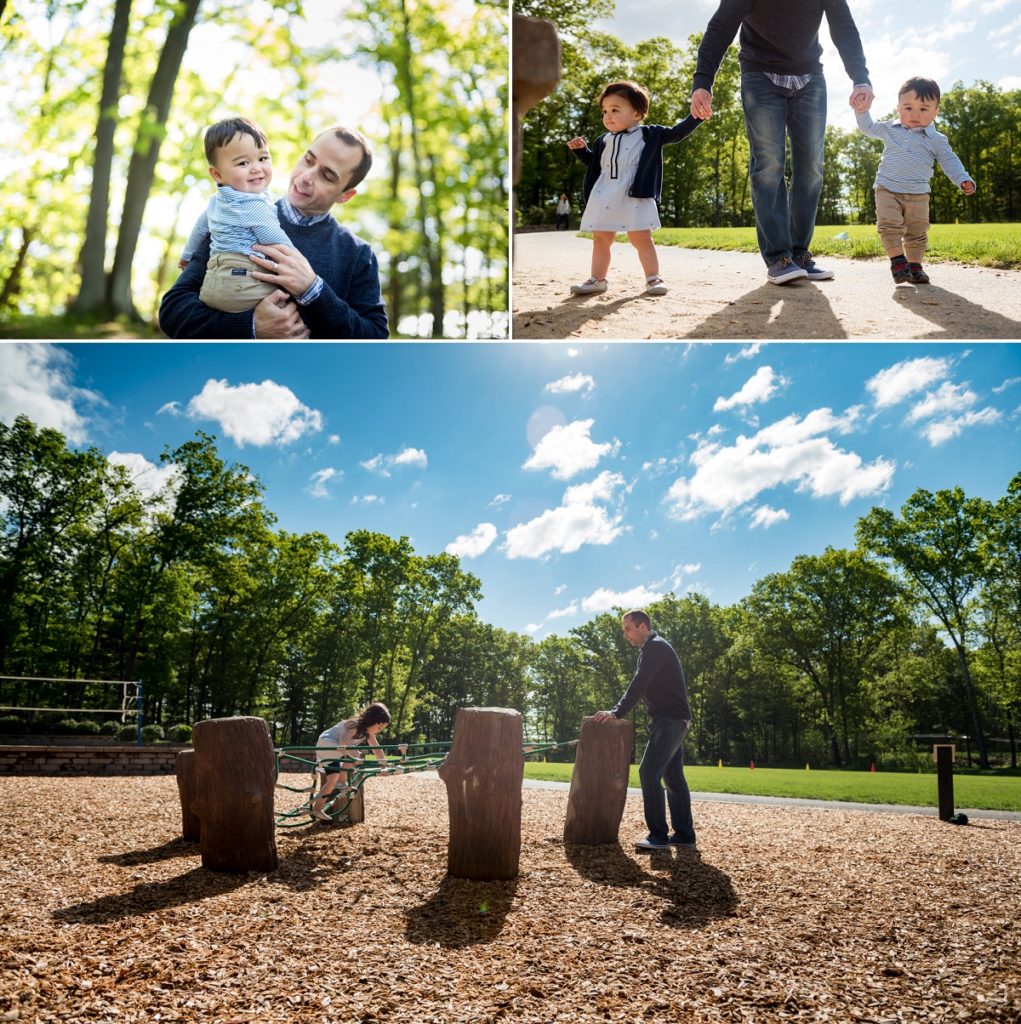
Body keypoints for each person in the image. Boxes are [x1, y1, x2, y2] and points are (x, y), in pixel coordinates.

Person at [691, 1, 874, 285]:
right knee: (768, 163)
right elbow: (721, 26)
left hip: (810, 75)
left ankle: (800, 255)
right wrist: (703, 81)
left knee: (812, 166)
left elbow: (844, 27)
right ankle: (779, 258)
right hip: (760, 74)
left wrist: (860, 77)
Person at [160, 125, 388, 339]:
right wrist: (251, 327)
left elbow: (375, 338)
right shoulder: (236, 214)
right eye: (308, 160)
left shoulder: (359, 255)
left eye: (327, 176)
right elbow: (173, 311)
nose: (306, 177)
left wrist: (314, 290)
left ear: (345, 195)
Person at [566, 80, 703, 297]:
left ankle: (653, 277)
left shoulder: (650, 135)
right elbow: (597, 165)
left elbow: (678, 132)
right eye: (605, 111)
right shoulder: (603, 140)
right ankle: (597, 279)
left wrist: (698, 115)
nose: (608, 116)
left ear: (637, 114)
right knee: (601, 238)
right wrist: (582, 152)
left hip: (634, 193)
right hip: (605, 194)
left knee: (641, 237)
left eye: (615, 110)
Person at [855, 77, 975, 285]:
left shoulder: (936, 140)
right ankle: (898, 262)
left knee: (917, 232)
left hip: (918, 194)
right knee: (889, 225)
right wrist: (861, 110)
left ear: (936, 112)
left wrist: (962, 178)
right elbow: (867, 127)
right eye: (908, 107)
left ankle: (915, 266)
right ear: (898, 107)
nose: (915, 114)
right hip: (887, 189)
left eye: (924, 109)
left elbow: (950, 161)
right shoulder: (890, 128)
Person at [593, 609, 695, 851]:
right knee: (673, 778)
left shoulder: (655, 647)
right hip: (674, 720)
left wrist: (616, 712)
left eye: (627, 629)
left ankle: (658, 836)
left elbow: (639, 684)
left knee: (648, 772)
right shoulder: (652, 649)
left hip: (670, 720)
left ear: (642, 627)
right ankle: (684, 834)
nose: (625, 635)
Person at [178, 116, 295, 314]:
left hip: (213, 283)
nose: (256, 168)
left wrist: (187, 255)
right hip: (244, 283)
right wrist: (301, 268)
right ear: (217, 174)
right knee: (292, 315)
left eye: (263, 158)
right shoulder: (252, 204)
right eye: (243, 163)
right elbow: (276, 241)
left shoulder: (217, 201)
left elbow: (200, 228)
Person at [311, 701, 391, 822]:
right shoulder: (355, 725)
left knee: (331, 780)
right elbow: (344, 742)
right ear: (371, 720)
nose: (379, 730)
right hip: (328, 743)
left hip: (332, 748)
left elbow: (377, 750)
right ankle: (342, 782)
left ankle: (317, 808)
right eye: (379, 727)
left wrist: (384, 766)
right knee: (353, 754)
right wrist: (355, 756)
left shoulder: (367, 732)